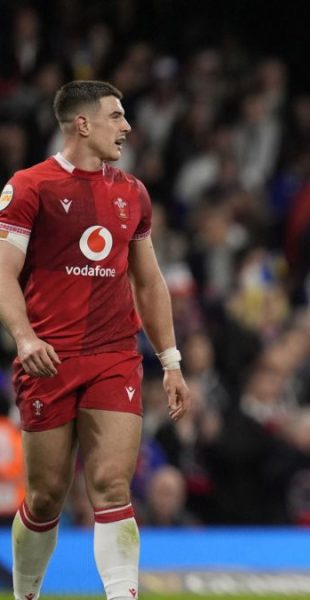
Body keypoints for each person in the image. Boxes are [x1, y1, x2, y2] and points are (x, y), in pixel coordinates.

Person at [0, 80, 191, 600]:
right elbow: (4, 272)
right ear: (82, 124)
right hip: (49, 359)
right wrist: (25, 338)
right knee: (45, 497)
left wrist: (171, 361)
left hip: (114, 356)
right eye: (116, 116)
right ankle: (25, 594)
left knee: (111, 485)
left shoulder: (133, 193)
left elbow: (149, 283)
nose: (126, 126)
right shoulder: (30, 187)